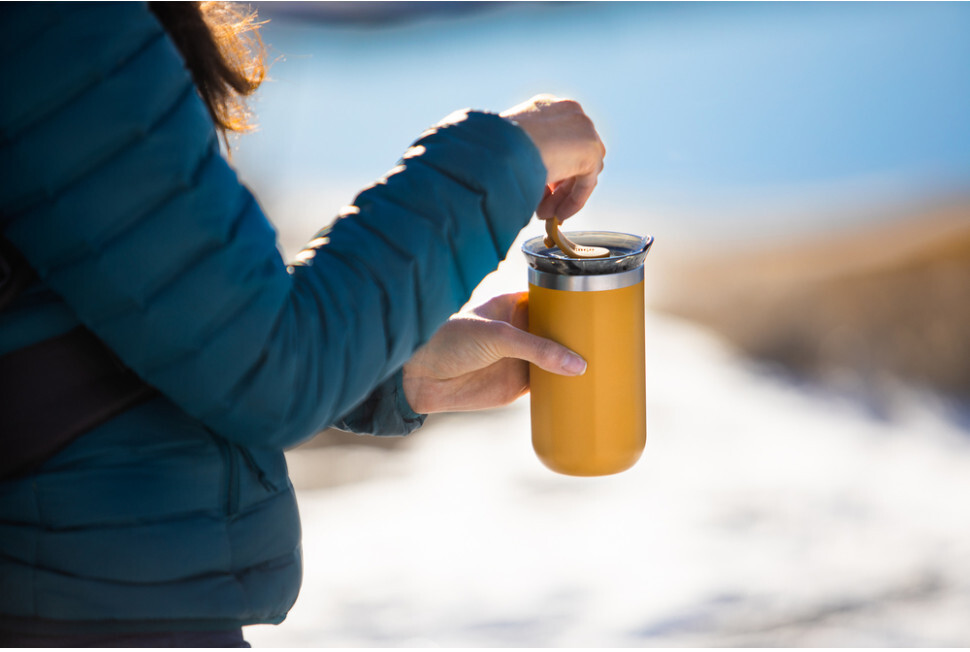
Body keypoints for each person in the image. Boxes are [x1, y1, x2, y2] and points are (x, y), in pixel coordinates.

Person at [0, 2, 605, 646]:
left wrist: (386, 366)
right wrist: (503, 159)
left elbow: (124, 307)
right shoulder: (61, 24)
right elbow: (267, 370)